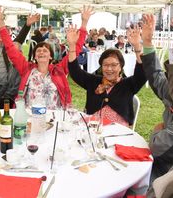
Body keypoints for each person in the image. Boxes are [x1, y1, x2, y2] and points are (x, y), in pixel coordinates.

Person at [0, 5, 92, 109]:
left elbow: (75, 50)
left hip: (54, 119)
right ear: (35, 56)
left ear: (50, 57)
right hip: (29, 118)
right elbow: (10, 48)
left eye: (45, 50)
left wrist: (84, 23)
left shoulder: (59, 69)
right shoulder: (26, 69)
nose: (41, 52)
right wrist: (1, 23)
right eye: (38, 51)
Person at [68, 25, 146, 126]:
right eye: (105, 65)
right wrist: (72, 46)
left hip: (117, 133)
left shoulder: (128, 84)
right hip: (92, 129)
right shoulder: (93, 81)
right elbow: (75, 72)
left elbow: (142, 73)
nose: (109, 69)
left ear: (121, 67)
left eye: (114, 65)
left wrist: (137, 47)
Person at [140, 13, 173, 182]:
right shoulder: (170, 91)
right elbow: (157, 78)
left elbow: (160, 146)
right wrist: (147, 42)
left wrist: (156, 133)